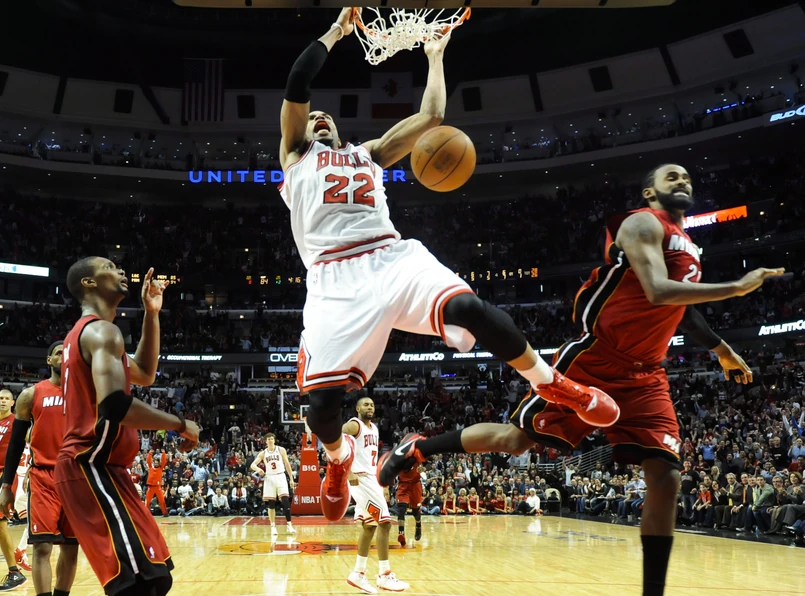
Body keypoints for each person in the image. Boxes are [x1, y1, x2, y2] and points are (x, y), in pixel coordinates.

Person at [378, 164, 785, 596]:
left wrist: (721, 348)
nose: (682, 180)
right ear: (649, 192)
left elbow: (681, 309)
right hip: (596, 358)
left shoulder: (689, 249)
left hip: (647, 374)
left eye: (686, 176)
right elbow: (658, 291)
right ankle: (416, 448)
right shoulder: (642, 223)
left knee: (666, 476)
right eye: (671, 176)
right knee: (516, 442)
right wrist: (736, 286)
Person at [279, 6, 618, 523]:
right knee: (322, 407)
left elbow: (432, 118)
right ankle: (338, 460)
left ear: (340, 130)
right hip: (333, 277)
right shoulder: (295, 155)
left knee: (468, 308)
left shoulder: (369, 153)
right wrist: (337, 31)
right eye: (313, 116)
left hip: (391, 257)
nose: (319, 117)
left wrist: (435, 56)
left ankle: (549, 381)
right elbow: (299, 79)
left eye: (327, 116)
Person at [56, 261, 199, 596]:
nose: (121, 272)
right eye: (110, 267)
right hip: (89, 463)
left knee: (155, 577)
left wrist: (152, 313)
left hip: (105, 468)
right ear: (89, 282)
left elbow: (146, 373)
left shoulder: (91, 334)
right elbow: (115, 406)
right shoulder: (101, 332)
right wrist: (180, 424)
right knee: (137, 583)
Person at [0, 341, 78, 596]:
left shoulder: (85, 393)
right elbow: (15, 444)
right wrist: (6, 485)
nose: (63, 357)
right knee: (42, 547)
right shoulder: (31, 394)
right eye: (58, 353)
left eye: (68, 353)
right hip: (43, 477)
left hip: (75, 478)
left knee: (70, 548)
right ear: (49, 360)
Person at [344, 397, 407, 594]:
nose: (369, 407)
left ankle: (358, 573)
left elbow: (374, 459)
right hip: (360, 479)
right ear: (357, 408)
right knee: (385, 523)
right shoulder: (354, 425)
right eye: (365, 404)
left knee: (369, 526)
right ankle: (384, 574)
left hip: (372, 478)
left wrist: (382, 482)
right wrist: (347, 470)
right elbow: (336, 440)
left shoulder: (374, 428)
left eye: (371, 405)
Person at [0, 389, 27, 590]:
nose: (2, 401)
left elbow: (31, 444)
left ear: (13, 402)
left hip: (4, 477)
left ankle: (14, 572)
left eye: (6, 398)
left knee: (0, 524)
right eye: (0, 398)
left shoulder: (15, 423)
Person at [250, 433, 296, 536]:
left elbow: (287, 464)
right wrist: (258, 469)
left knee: (285, 501)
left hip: (281, 476)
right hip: (269, 478)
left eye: (272, 439)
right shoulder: (263, 453)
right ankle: (273, 526)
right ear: (266, 441)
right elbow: (252, 465)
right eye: (268, 439)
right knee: (271, 503)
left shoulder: (281, 450)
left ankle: (289, 525)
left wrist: (291, 479)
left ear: (274, 440)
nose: (270, 440)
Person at [395, 466, 422, 547]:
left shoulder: (416, 458)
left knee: (415, 511)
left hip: (415, 484)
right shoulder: (398, 459)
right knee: (401, 509)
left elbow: (427, 461)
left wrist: (424, 467)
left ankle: (418, 525)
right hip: (403, 484)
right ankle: (401, 533)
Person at [146, 450, 169, 517]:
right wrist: (150, 454)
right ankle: (146, 513)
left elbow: (163, 461)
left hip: (158, 487)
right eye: (155, 463)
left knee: (162, 500)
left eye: (157, 463)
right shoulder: (151, 467)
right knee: (148, 501)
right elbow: (148, 461)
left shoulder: (160, 468)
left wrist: (163, 453)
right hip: (150, 487)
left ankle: (165, 513)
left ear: (159, 464)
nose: (156, 464)